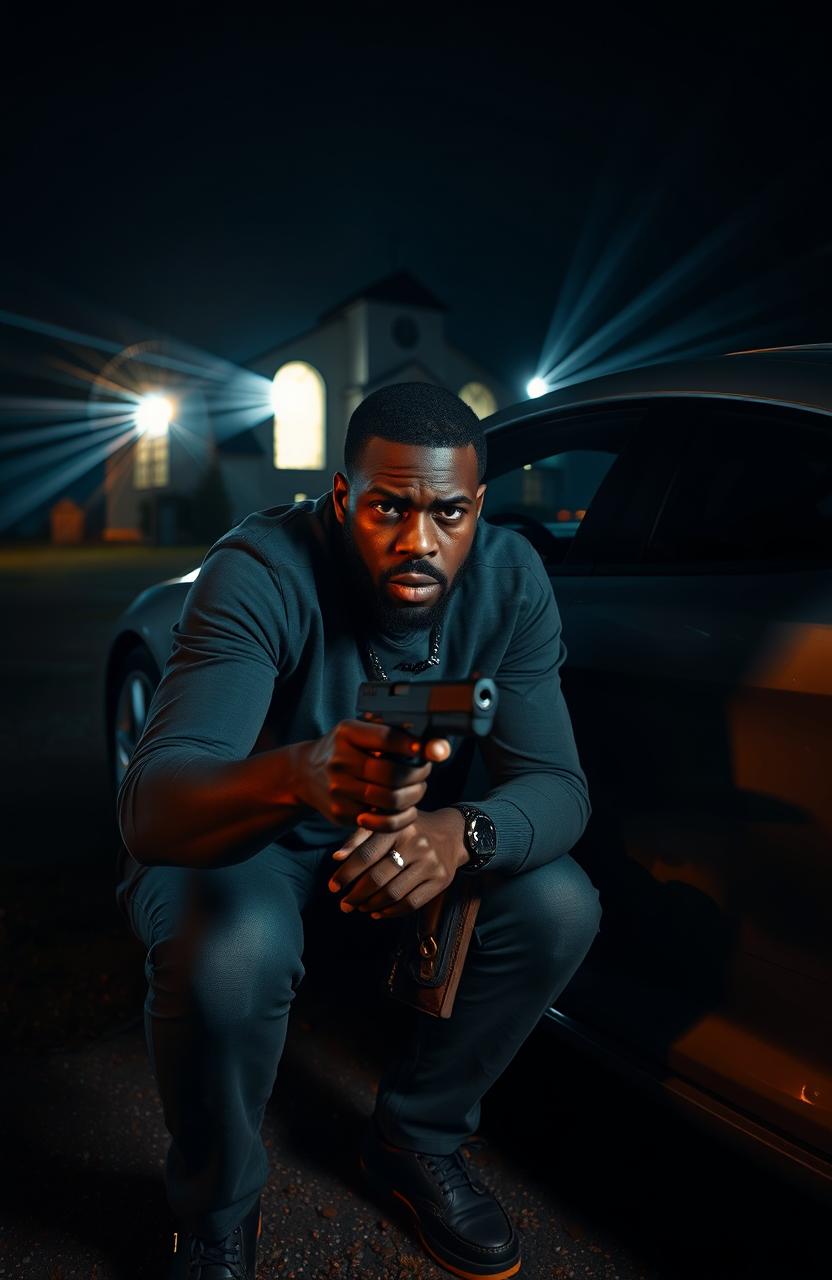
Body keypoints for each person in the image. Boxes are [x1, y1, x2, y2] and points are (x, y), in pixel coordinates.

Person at [115, 381, 602, 1280]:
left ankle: (414, 1139)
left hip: (401, 851)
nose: (420, 541)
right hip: (251, 848)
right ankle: (218, 1207)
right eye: (390, 507)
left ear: (479, 507)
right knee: (231, 951)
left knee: (560, 904)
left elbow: (559, 788)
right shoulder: (260, 571)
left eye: (448, 512)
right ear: (343, 498)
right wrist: (299, 773)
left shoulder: (509, 581)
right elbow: (151, 810)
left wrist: (462, 834)